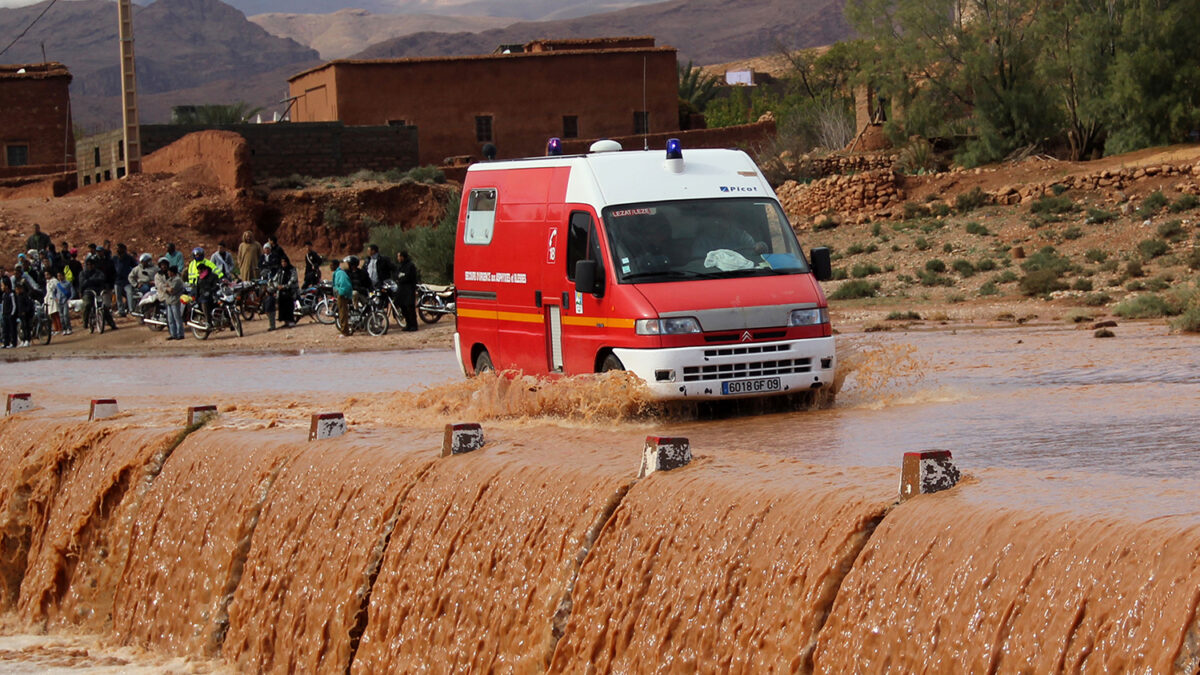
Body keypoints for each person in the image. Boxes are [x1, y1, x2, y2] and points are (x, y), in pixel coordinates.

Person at [80, 259, 118, 331]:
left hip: (98, 291)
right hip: (87, 292)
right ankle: (85, 322)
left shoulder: (99, 272)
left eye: (91, 264)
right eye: (88, 264)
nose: (89, 266)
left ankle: (112, 324)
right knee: (87, 304)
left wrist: (90, 281)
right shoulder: (83, 273)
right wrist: (93, 281)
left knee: (104, 307)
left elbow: (102, 279)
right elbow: (83, 283)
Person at [157, 261, 185, 340]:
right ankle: (173, 334)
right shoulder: (170, 279)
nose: (168, 273)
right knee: (170, 320)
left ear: (172, 272)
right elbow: (165, 286)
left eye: (169, 271)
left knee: (177, 318)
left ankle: (180, 334)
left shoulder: (177, 280)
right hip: (169, 301)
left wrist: (165, 288)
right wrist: (166, 288)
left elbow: (171, 290)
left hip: (175, 301)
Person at [393, 250, 419, 332]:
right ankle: (408, 324)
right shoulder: (400, 266)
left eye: (399, 256)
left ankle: (414, 325)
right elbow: (397, 276)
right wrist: (400, 277)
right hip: (401, 290)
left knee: (410, 308)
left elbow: (408, 277)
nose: (398, 258)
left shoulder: (410, 266)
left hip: (409, 289)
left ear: (402, 257)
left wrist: (401, 278)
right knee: (402, 307)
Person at [112, 243, 136, 316]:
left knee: (130, 294)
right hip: (117, 280)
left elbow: (135, 266)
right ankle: (121, 311)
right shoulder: (114, 258)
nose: (117, 250)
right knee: (118, 296)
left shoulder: (128, 258)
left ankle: (132, 310)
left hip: (127, 280)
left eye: (119, 248)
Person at [333, 257, 353, 336]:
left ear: (335, 265)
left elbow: (344, 284)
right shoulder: (339, 273)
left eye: (331, 265)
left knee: (342, 313)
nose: (330, 267)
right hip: (342, 294)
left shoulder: (339, 273)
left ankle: (345, 332)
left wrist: (341, 292)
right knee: (343, 312)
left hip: (342, 295)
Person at [276, 257, 298, 327]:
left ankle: (291, 321)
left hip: (290, 291)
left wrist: (284, 286)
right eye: (282, 262)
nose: (283, 263)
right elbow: (275, 278)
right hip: (281, 292)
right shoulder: (280, 270)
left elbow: (293, 280)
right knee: (282, 306)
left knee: (289, 306)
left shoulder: (292, 269)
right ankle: (285, 322)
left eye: (284, 262)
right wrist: (277, 285)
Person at [52, 271, 73, 335]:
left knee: (66, 315)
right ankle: (64, 329)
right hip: (59, 302)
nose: (59, 277)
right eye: (58, 276)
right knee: (61, 316)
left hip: (65, 301)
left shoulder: (68, 283)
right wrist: (55, 298)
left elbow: (73, 292)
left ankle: (69, 328)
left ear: (63, 276)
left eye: (60, 276)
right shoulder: (57, 285)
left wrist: (69, 299)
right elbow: (53, 293)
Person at [0, 277, 15, 348]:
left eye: (2, 285)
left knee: (11, 329)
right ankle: (6, 343)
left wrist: (12, 313)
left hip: (10, 315)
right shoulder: (3, 295)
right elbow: (3, 304)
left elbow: (14, 305)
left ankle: (13, 343)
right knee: (5, 330)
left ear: (6, 286)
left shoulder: (11, 294)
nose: (1, 287)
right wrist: (3, 313)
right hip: (4, 314)